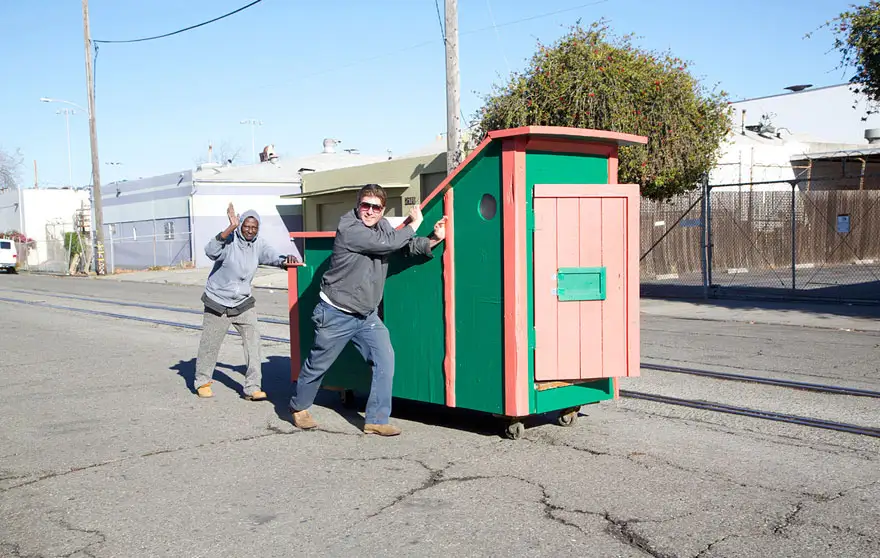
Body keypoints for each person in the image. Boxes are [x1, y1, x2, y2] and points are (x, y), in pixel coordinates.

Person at [289, 184, 447, 436]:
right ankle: (299, 407)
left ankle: (376, 419)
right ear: (358, 205)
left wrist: (434, 239)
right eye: (366, 205)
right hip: (336, 312)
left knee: (385, 359)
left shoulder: (382, 227)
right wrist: (414, 223)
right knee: (318, 363)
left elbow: (400, 246)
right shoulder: (349, 228)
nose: (370, 211)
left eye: (376, 207)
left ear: (382, 209)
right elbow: (388, 243)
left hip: (366, 315)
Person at [194, 203, 300, 400]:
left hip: (243, 303)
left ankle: (252, 387)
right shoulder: (230, 241)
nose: (250, 231)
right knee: (210, 344)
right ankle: (202, 381)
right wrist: (230, 228)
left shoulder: (259, 244)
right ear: (240, 225)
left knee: (253, 344)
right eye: (246, 226)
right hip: (218, 301)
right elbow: (210, 251)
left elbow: (271, 255)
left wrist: (285, 260)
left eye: (254, 227)